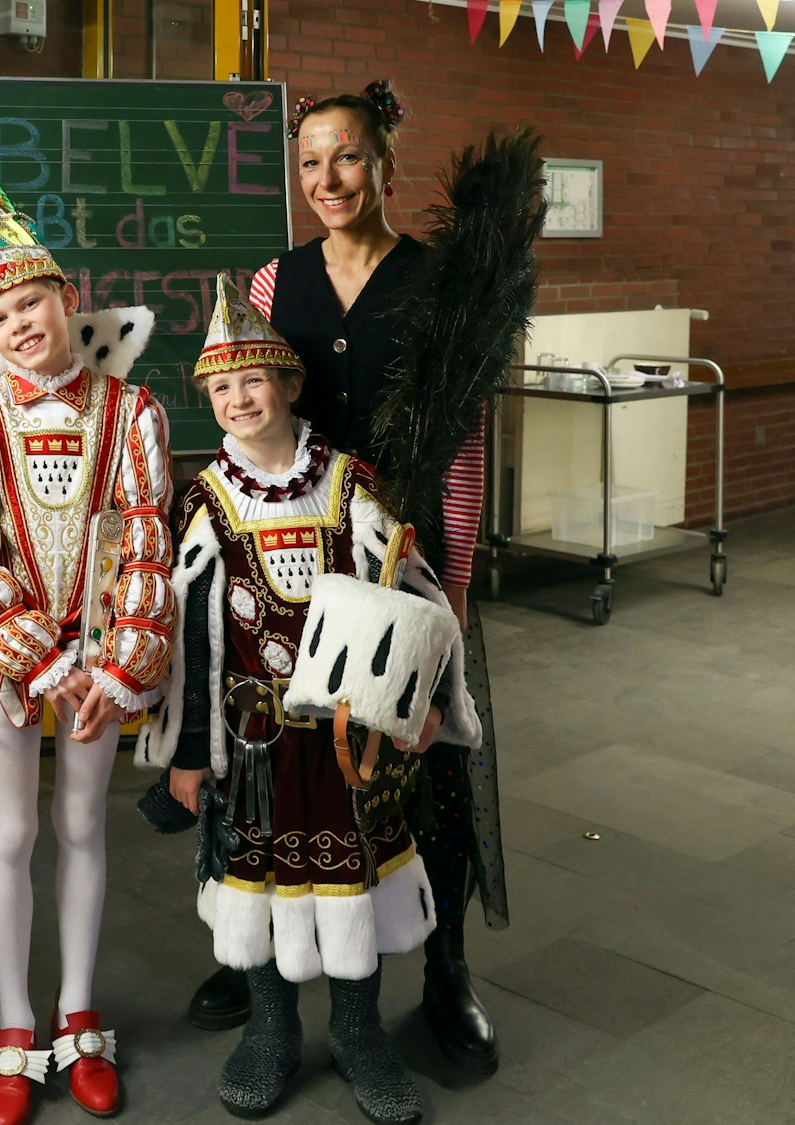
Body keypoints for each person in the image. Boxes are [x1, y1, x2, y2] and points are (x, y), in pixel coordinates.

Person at [184, 81, 508, 1080]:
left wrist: (452, 582)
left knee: (426, 762)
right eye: (310, 162)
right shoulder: (276, 281)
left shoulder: (438, 280)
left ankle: (444, 968)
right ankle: (252, 950)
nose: (328, 179)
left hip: (404, 549)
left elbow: (464, 441)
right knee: (275, 756)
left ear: (385, 163)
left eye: (349, 157)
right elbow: (254, 411)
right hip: (299, 553)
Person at [140, 275, 467, 1124]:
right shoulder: (206, 502)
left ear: (288, 384)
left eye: (253, 380)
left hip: (350, 740)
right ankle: (272, 1028)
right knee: (256, 884)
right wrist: (188, 754)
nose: (239, 399)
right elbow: (194, 642)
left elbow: (413, 595)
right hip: (253, 746)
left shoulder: (351, 484)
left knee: (359, 878)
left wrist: (423, 699)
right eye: (220, 388)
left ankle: (360, 1032)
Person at [0, 125, 175, 1125]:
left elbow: (146, 540)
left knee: (80, 822)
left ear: (67, 296)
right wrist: (37, 660)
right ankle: (15, 1024)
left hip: (100, 656)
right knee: (12, 825)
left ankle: (77, 1012)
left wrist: (109, 667)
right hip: (10, 661)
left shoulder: (132, 411)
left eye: (30, 301)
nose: (19, 324)